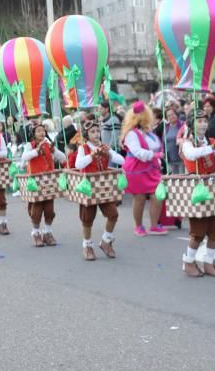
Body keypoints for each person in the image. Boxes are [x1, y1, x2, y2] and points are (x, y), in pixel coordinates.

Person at [181, 110, 215, 277]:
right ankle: (189, 261)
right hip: (196, 189)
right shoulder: (187, 142)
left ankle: (209, 262)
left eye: (205, 120)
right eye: (199, 121)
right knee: (198, 231)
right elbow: (191, 155)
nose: (203, 124)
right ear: (191, 124)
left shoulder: (210, 142)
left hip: (212, 187)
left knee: (214, 228)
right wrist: (212, 148)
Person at [74, 118, 123, 260]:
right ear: (86, 134)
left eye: (97, 131)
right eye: (92, 132)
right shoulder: (83, 148)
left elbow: (122, 160)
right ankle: (87, 245)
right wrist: (92, 155)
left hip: (104, 187)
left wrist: (109, 154)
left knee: (113, 214)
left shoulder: (104, 146)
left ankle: (106, 241)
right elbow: (78, 165)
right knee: (87, 218)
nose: (96, 134)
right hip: (89, 188)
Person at [121, 101, 167, 236]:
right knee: (139, 198)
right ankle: (138, 226)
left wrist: (157, 159)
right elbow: (138, 153)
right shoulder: (131, 134)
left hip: (151, 169)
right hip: (137, 170)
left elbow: (154, 148)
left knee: (157, 195)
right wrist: (155, 155)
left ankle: (154, 225)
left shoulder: (149, 133)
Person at [21, 121, 67, 247]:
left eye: (43, 130)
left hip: (49, 181)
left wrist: (54, 151)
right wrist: (36, 151)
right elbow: (24, 158)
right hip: (35, 182)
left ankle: (48, 233)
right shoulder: (29, 145)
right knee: (36, 210)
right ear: (33, 134)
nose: (42, 133)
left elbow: (63, 158)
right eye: (38, 131)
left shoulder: (48, 144)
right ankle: (36, 233)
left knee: (49, 210)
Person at [161, 106, 185, 174]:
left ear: (176, 114)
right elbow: (163, 142)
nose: (171, 116)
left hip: (181, 158)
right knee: (174, 179)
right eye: (169, 115)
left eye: (172, 114)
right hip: (170, 159)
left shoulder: (182, 125)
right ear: (166, 118)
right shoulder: (166, 128)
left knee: (182, 179)